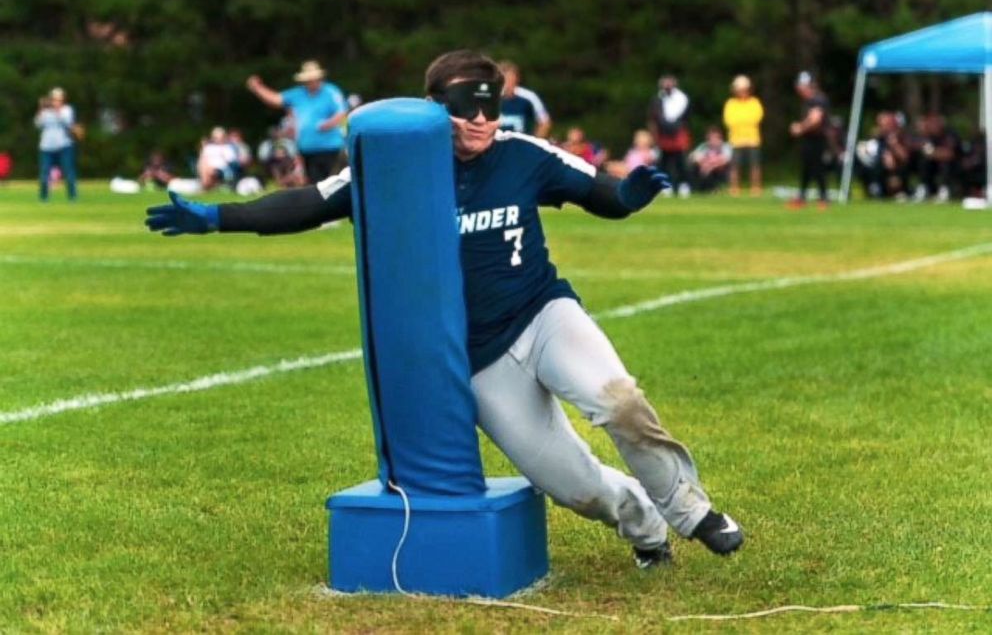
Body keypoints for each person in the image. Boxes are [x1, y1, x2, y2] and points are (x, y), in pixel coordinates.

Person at [146, 49, 743, 569]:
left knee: (621, 402)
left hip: (543, 315)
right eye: (466, 107)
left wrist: (629, 196)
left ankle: (693, 512)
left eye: (490, 106)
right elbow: (309, 203)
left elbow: (599, 192)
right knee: (575, 488)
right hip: (476, 357)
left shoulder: (522, 154)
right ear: (434, 108)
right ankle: (647, 532)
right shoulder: (399, 167)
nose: (481, 120)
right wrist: (218, 217)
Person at [246, 60, 347, 184]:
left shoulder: (331, 91)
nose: (310, 83)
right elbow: (276, 100)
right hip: (306, 148)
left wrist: (328, 124)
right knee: (314, 184)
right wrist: (258, 88)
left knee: (331, 182)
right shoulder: (298, 94)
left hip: (329, 147)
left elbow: (341, 112)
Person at [788, 72, 831, 209]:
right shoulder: (809, 100)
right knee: (807, 168)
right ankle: (802, 196)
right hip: (810, 138)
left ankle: (823, 198)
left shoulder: (817, 99)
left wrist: (799, 128)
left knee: (817, 168)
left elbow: (815, 119)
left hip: (817, 139)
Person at [647, 75, 692, 197]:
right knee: (663, 161)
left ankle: (684, 185)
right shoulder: (658, 98)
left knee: (681, 161)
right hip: (663, 133)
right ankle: (665, 186)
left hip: (677, 131)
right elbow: (654, 118)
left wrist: (671, 125)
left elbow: (682, 117)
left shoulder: (682, 98)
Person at [722, 75, 763, 196]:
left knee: (755, 165)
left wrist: (741, 121)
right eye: (740, 90)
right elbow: (729, 120)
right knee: (735, 166)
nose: (742, 92)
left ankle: (756, 188)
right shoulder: (730, 103)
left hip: (752, 139)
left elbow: (756, 118)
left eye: (744, 89)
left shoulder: (755, 102)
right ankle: (734, 188)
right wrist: (744, 121)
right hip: (736, 140)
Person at [34, 87, 78, 201]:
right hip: (46, 147)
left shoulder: (67, 110)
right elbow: (38, 124)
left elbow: (68, 123)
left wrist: (57, 111)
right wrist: (41, 109)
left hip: (64, 146)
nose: (56, 101)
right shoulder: (45, 112)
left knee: (69, 172)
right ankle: (43, 197)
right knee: (44, 173)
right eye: (54, 99)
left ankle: (72, 196)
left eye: (59, 99)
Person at [497, 60, 552, 138]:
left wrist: (534, 142)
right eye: (504, 78)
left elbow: (545, 122)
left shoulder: (529, 97)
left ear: (517, 79)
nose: (507, 82)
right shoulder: (491, 97)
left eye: (509, 78)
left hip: (522, 144)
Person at [687, 127, 733, 193]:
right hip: (704, 168)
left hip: (720, 171)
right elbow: (692, 156)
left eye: (715, 138)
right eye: (711, 138)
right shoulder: (703, 146)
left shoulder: (725, 146)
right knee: (692, 167)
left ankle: (713, 188)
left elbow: (726, 160)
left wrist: (711, 166)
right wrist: (702, 163)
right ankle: (694, 188)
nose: (713, 140)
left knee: (712, 170)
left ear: (720, 138)